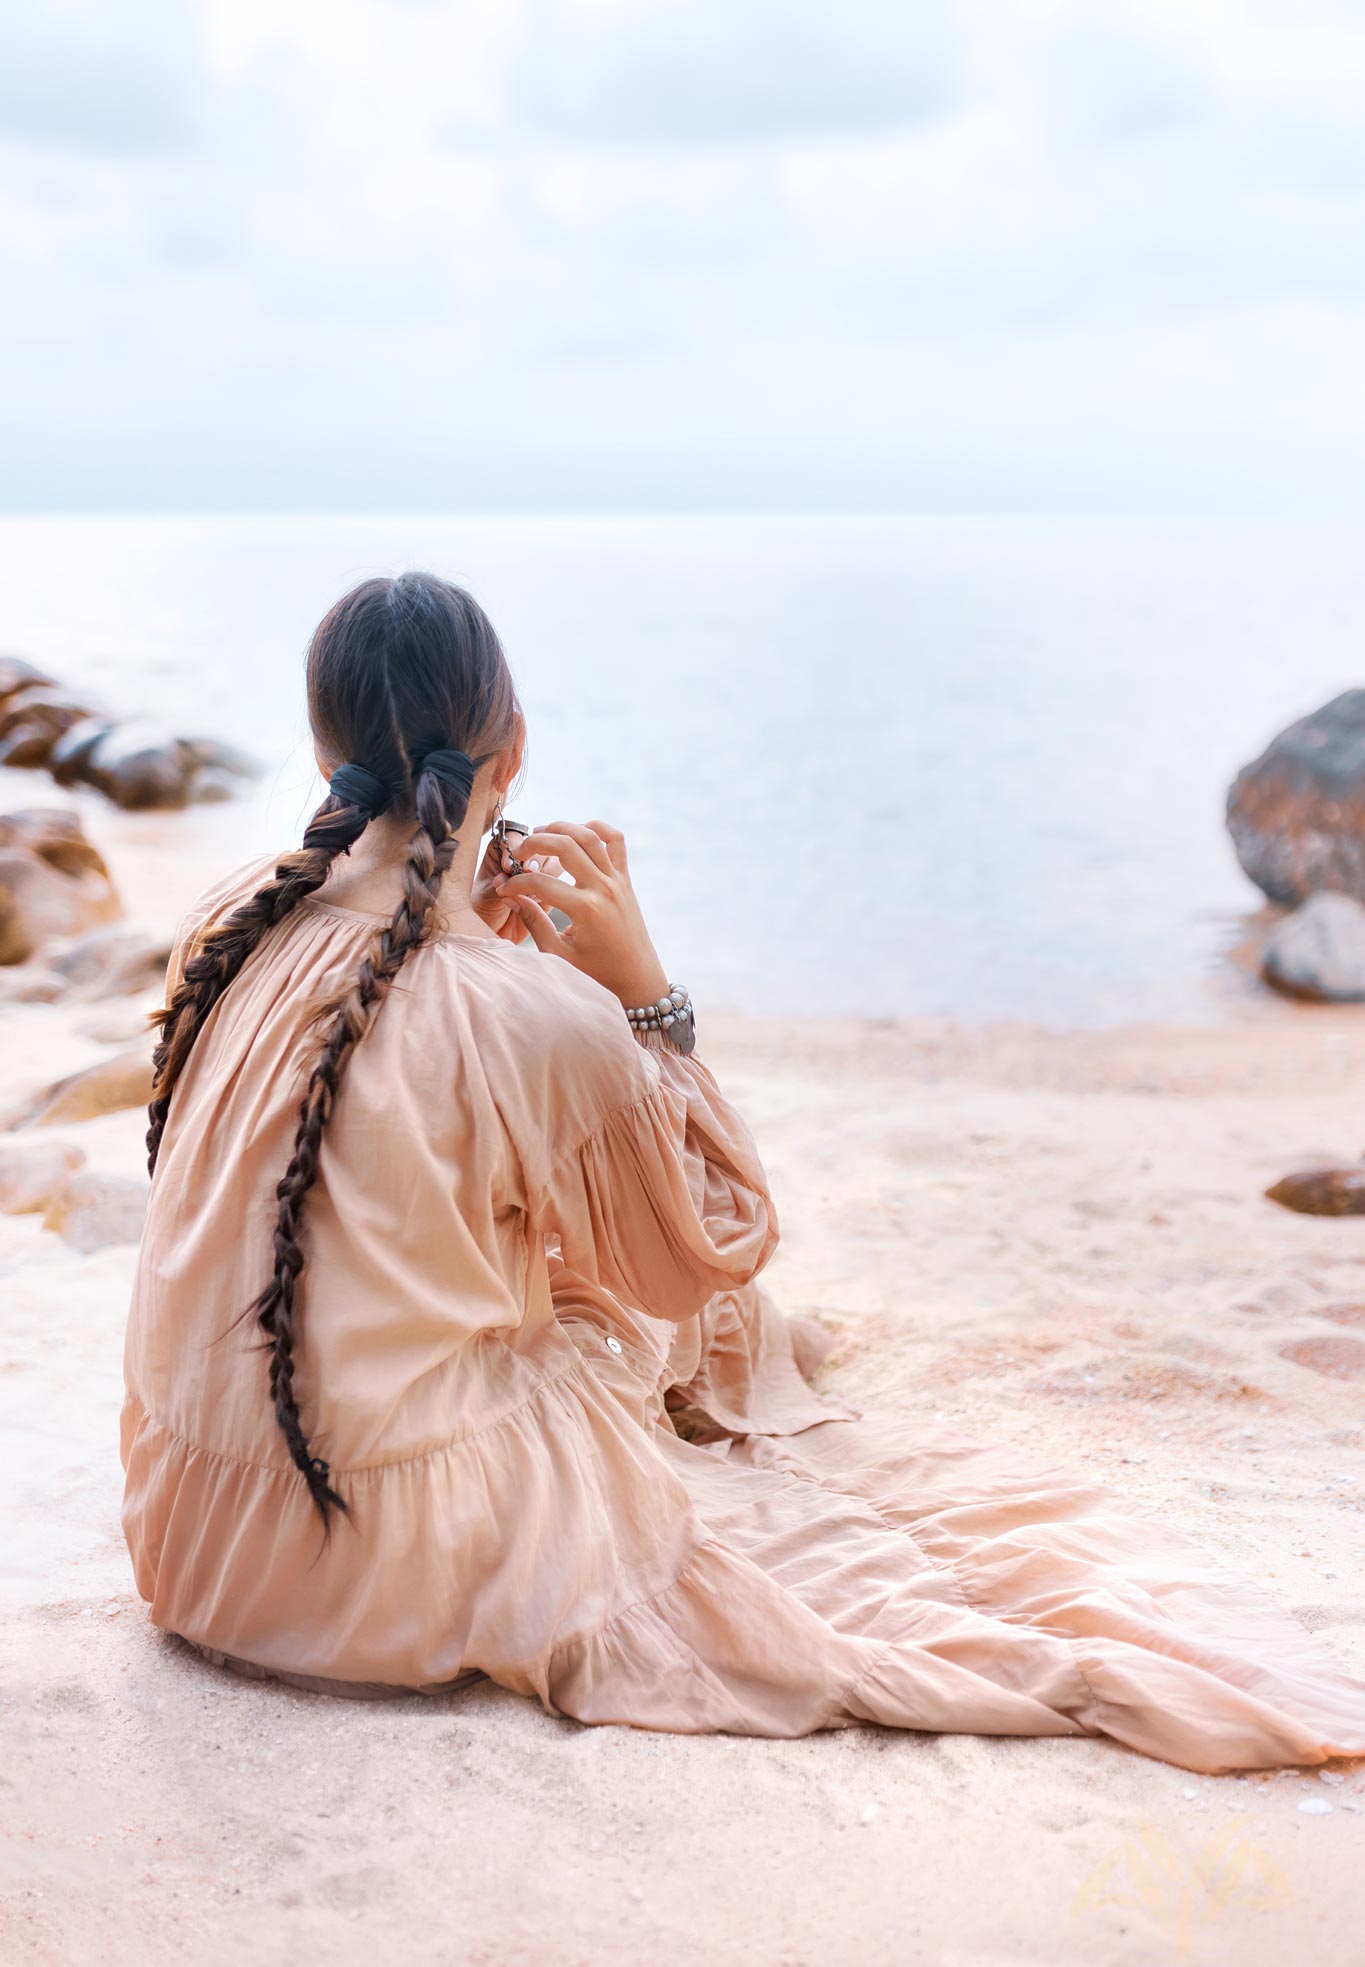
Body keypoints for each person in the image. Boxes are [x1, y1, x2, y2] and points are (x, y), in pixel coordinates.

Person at [122, 571, 1364, 1772]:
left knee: (552, 1244)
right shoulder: (536, 1012)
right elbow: (703, 1245)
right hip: (386, 1568)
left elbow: (372, 1102)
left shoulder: (237, 919)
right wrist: (641, 992)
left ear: (320, 739)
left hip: (197, 1544)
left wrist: (500, 962)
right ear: (515, 752)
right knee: (701, 1297)